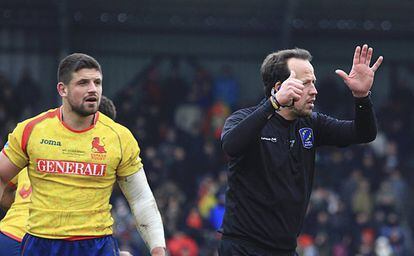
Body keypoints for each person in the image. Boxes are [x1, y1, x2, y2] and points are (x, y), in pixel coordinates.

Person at [219, 44, 383, 255]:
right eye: (306, 84)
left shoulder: (311, 124)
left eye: (313, 83)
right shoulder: (243, 119)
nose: (314, 91)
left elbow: (363, 133)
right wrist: (274, 104)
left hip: (286, 250)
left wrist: (362, 98)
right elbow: (231, 146)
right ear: (279, 87)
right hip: (243, 248)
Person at [0, 53, 166, 256]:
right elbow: (2, 176)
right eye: (83, 83)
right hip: (42, 243)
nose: (92, 89)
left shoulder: (120, 137)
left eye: (97, 82)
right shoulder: (31, 130)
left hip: (95, 245)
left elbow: (140, 197)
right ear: (62, 89)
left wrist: (158, 248)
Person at [0, 95, 134, 256]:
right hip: (45, 242)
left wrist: (20, 205)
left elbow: (5, 190)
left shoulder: (36, 142)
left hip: (9, 236)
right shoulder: (100, 163)